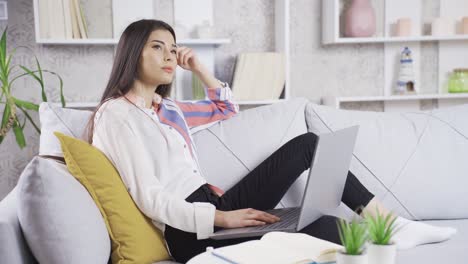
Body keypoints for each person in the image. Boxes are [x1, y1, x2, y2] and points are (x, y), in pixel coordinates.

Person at [87, 19, 456, 263]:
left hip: (215, 204)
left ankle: (389, 223)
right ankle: (384, 236)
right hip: (189, 231)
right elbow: (148, 195)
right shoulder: (116, 115)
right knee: (323, 229)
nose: (169, 55)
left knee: (309, 144)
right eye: (157, 47)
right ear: (132, 51)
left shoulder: (166, 109)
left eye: (172, 47)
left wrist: (198, 67)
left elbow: (226, 107)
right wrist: (220, 217)